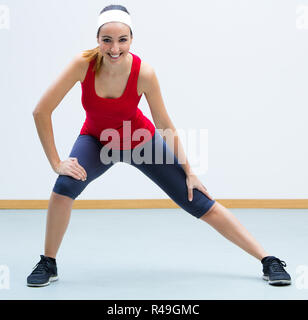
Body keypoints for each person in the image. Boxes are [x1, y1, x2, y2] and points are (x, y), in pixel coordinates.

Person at [28, 4, 291, 287]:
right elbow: (41, 111)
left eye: (122, 40)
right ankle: (48, 262)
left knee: (197, 200)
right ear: (97, 40)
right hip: (96, 140)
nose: (114, 48)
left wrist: (189, 170)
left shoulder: (145, 73)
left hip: (139, 140)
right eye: (107, 40)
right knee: (64, 187)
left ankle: (268, 260)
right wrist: (56, 162)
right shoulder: (82, 64)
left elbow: (164, 123)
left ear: (131, 39)